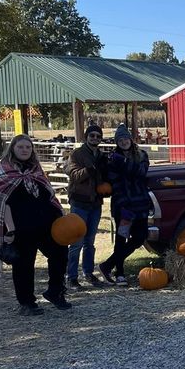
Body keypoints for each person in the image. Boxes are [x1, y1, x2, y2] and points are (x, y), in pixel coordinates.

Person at [0, 134, 70, 315]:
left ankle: (55, 291)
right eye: (20, 147)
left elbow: (49, 195)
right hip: (20, 228)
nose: (24, 150)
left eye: (28, 147)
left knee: (60, 254)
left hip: (46, 225)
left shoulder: (36, 170)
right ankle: (27, 302)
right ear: (13, 149)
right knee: (24, 265)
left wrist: (60, 216)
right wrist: (10, 229)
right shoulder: (4, 172)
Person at [98, 125, 150, 286]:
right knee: (122, 237)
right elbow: (115, 181)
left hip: (140, 203)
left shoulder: (141, 155)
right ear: (117, 142)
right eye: (120, 140)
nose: (123, 142)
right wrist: (122, 203)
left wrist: (125, 163)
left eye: (125, 138)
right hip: (124, 206)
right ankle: (120, 273)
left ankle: (107, 265)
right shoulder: (113, 159)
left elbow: (141, 172)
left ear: (130, 139)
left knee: (140, 237)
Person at [65, 123, 109, 290]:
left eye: (98, 136)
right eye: (92, 136)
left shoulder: (102, 156)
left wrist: (106, 187)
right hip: (79, 202)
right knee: (76, 241)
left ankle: (88, 273)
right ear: (86, 137)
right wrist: (89, 170)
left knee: (90, 241)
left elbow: (105, 178)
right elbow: (73, 175)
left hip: (95, 203)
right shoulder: (77, 154)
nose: (95, 138)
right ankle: (71, 277)